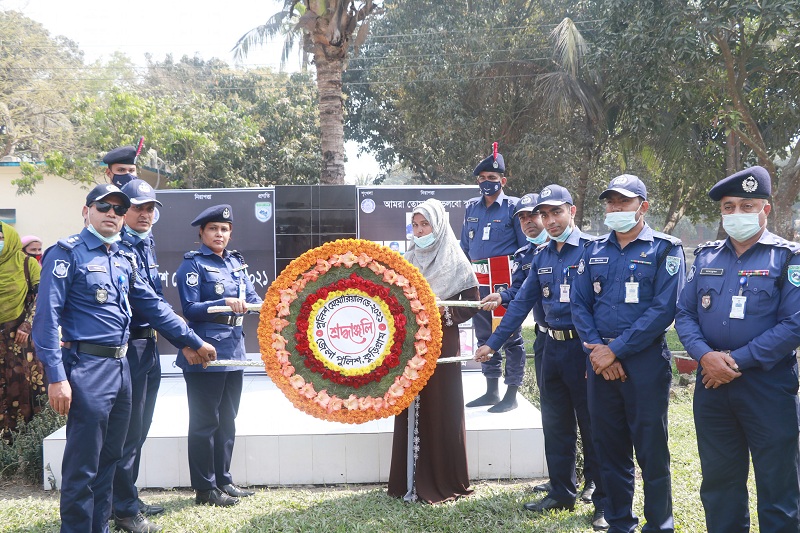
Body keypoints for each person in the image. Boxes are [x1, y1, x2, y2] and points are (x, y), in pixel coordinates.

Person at [32, 184, 217, 533]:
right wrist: (56, 377)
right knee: (83, 464)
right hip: (87, 368)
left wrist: (192, 340)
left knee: (111, 459)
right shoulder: (66, 253)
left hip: (121, 368)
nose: (112, 215)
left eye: (119, 210)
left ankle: (99, 526)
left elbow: (153, 305)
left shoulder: (122, 257)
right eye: (104, 207)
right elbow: (46, 321)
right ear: (86, 210)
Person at [675, 166, 800, 533]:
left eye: (747, 206)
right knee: (719, 486)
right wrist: (705, 357)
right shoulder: (707, 256)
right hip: (712, 388)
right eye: (728, 207)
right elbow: (684, 312)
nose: (736, 214)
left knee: (778, 488)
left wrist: (733, 361)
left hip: (767, 386)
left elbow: (795, 323)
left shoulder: (788, 258)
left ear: (766, 209)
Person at [474, 185, 606, 531]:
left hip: (585, 349)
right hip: (550, 347)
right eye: (543, 215)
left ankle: (604, 500)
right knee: (556, 422)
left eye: (555, 213)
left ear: (572, 211)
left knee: (594, 422)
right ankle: (561, 491)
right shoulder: (542, 256)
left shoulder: (594, 251)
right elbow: (519, 304)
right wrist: (494, 343)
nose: (548, 221)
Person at [571, 175, 685, 533]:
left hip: (646, 362)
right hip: (600, 361)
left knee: (651, 449)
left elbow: (663, 310)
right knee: (610, 447)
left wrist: (615, 351)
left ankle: (659, 525)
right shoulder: (593, 251)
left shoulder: (666, 250)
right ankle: (620, 522)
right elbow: (579, 304)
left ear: (643, 207)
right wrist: (598, 351)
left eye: (623, 202)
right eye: (611, 203)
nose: (616, 209)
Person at [388, 198, 480, 503]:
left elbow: (471, 302)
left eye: (425, 224)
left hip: (442, 344)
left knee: (442, 404)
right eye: (415, 225)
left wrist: (441, 314)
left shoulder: (455, 260)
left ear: (438, 225)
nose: (419, 230)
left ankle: (443, 479)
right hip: (411, 345)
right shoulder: (407, 260)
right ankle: (407, 481)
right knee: (410, 406)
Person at [176, 204, 263, 507]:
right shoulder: (193, 264)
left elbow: (252, 299)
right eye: (213, 228)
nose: (219, 234)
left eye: (224, 229)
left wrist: (274, 305)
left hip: (234, 348)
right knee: (204, 422)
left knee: (228, 418)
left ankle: (223, 480)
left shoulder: (237, 263)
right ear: (201, 232)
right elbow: (189, 309)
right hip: (205, 350)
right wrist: (223, 302)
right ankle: (204, 488)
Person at [111, 179, 179, 532]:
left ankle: (127, 498)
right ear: (124, 210)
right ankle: (122, 509)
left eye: (151, 208)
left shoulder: (145, 243)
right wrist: (187, 337)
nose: (146, 214)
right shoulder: (120, 246)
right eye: (139, 208)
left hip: (148, 345)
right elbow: (146, 302)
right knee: (127, 432)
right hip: (129, 348)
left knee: (139, 430)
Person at [460, 144, 527, 411]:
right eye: (482, 178)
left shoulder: (513, 208)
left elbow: (524, 249)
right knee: (484, 334)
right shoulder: (471, 209)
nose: (487, 182)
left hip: (503, 280)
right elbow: (465, 247)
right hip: (478, 278)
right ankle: (491, 391)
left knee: (509, 335)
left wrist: (518, 284)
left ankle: (511, 393)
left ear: (503, 180)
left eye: (492, 178)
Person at [478, 192, 547, 413]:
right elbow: (520, 291)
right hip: (544, 334)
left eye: (533, 215)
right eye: (522, 218)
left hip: (577, 338)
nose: (527, 222)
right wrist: (502, 296)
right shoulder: (524, 255)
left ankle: (511, 393)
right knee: (552, 407)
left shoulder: (573, 250)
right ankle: (495, 391)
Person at [0, 223, 46, 441]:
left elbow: (41, 298)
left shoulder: (27, 264)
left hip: (21, 339)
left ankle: (27, 443)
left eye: (0, 237)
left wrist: (27, 324)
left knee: (23, 387)